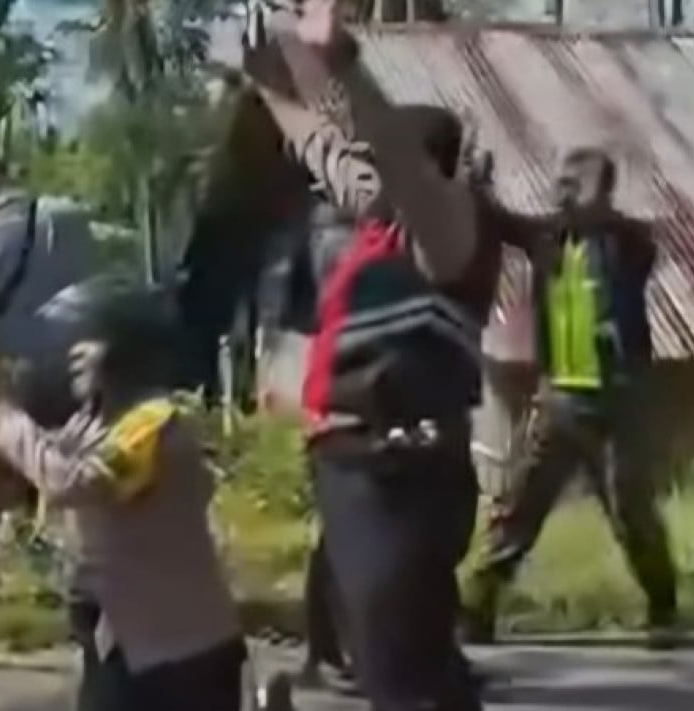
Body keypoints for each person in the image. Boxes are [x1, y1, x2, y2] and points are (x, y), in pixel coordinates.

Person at [234, 2, 499, 708]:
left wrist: (344, 67)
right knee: (401, 667)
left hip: (404, 473)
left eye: (376, 160)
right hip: (351, 471)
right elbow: (324, 147)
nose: (357, 170)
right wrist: (267, 83)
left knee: (397, 672)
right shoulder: (376, 220)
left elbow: (389, 158)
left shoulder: (449, 233)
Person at [0, 276, 246, 711]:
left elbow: (73, 482)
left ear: (124, 349)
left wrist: (12, 427)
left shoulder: (154, 423)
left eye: (85, 343)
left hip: (178, 654)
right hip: (130, 642)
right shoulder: (97, 422)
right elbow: (50, 458)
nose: (71, 354)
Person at [462, 147, 679, 649]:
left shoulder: (627, 244)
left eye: (572, 184)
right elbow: (502, 220)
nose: (560, 192)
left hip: (618, 402)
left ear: (603, 192)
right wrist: (476, 185)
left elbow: (643, 238)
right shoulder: (547, 239)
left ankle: (663, 607)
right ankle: (475, 609)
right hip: (559, 399)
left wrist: (597, 214)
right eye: (559, 183)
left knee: (632, 512)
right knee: (519, 507)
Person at [0, 159, 94, 609]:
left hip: (21, 370)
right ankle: (85, 578)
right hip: (81, 363)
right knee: (76, 471)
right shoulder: (69, 216)